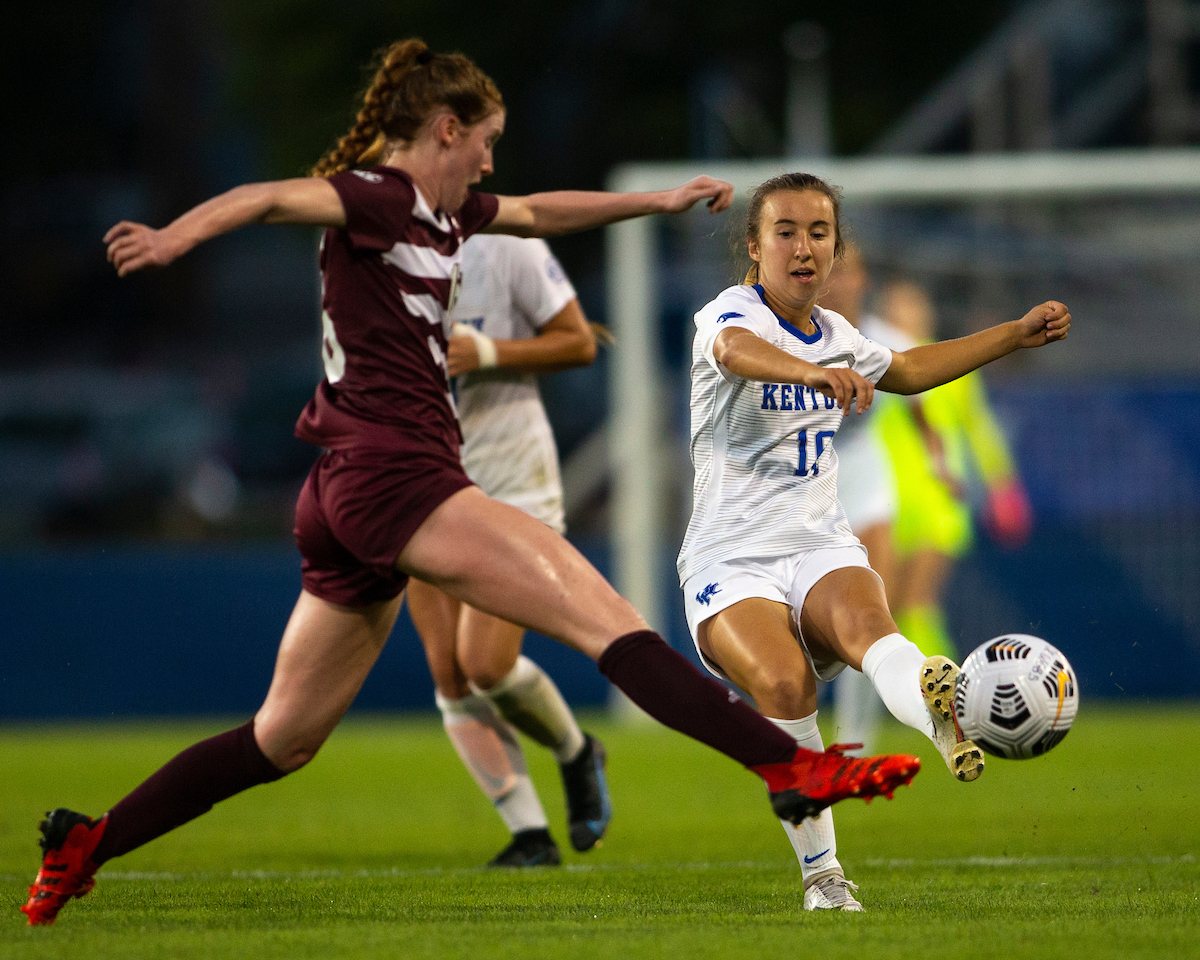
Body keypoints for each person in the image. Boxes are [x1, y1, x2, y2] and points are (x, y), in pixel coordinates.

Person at [22, 41, 920, 926]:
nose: (490, 161)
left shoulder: (443, 212)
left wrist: (655, 200)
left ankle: (89, 843)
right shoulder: (376, 196)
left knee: (282, 738)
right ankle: (793, 767)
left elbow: (537, 211)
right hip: (393, 476)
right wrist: (176, 234)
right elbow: (268, 197)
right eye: (483, 141)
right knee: (608, 622)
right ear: (443, 130)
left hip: (338, 493)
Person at [677, 172, 1070, 910]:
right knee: (787, 685)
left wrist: (1015, 334)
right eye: (786, 232)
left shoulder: (840, 335)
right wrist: (810, 373)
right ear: (755, 246)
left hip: (819, 541)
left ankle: (942, 714)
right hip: (730, 560)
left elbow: (914, 368)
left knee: (873, 630)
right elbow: (733, 352)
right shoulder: (733, 312)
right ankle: (824, 878)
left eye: (818, 233)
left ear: (836, 247)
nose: (803, 247)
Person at [407, 231, 609, 867]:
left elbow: (580, 342)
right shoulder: (375, 254)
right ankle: (530, 834)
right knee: (448, 671)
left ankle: (576, 750)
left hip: (512, 481)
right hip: (420, 481)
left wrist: (487, 350)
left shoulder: (506, 250)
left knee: (485, 663)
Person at [874, 280, 1033, 662]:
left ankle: (947, 696)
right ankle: (920, 694)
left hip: (939, 500)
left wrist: (1003, 486)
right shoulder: (873, 363)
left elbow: (978, 427)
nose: (906, 317)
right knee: (885, 612)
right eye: (896, 310)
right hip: (885, 504)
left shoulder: (951, 363)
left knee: (916, 604)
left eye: (913, 308)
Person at [816, 245, 901, 754]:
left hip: (867, 477)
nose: (839, 281)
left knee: (873, 608)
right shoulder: (789, 337)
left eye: (847, 270)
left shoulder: (885, 342)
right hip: (809, 484)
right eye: (832, 271)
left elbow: (928, 396)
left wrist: (939, 458)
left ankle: (855, 741)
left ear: (863, 279)